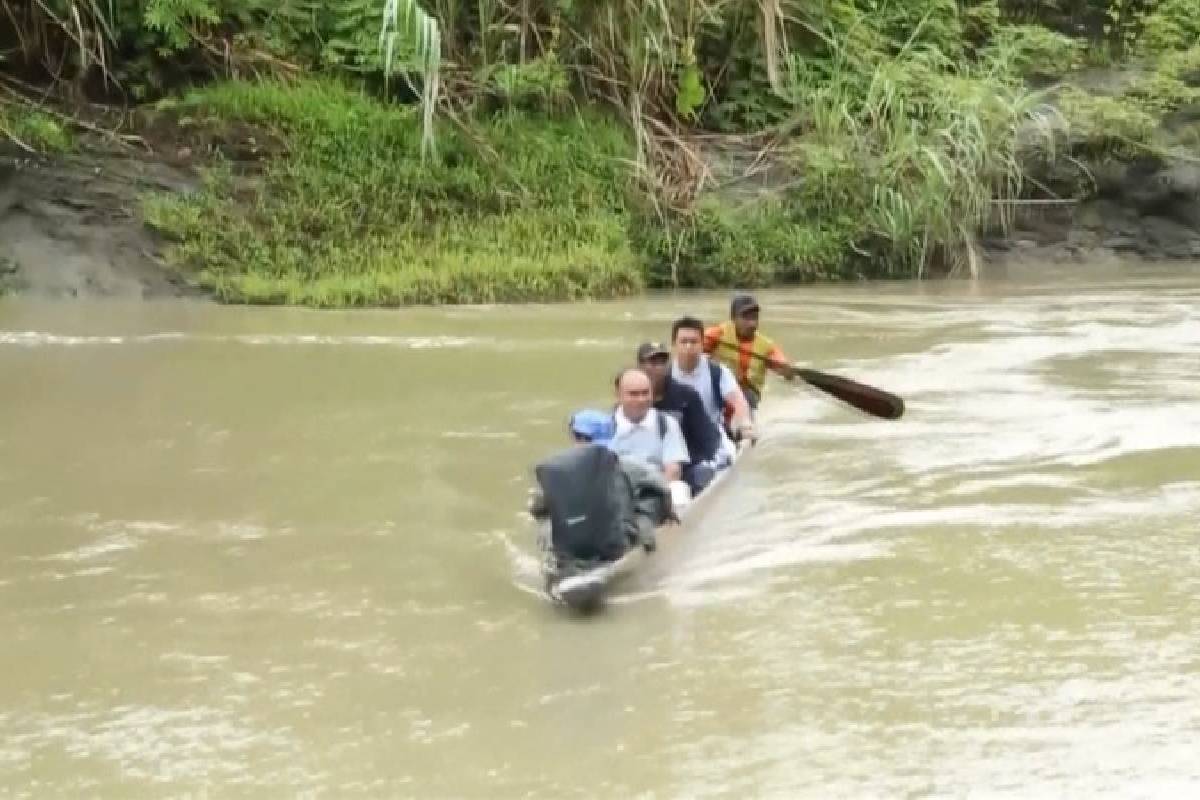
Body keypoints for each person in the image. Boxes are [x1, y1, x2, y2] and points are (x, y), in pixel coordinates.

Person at [528, 409, 674, 573]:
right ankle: (643, 547)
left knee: (547, 518)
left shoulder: (558, 472)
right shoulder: (628, 466)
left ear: (578, 438)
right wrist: (669, 514)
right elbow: (662, 487)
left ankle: (553, 562)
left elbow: (536, 507)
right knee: (649, 500)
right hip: (618, 544)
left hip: (568, 550)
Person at [635, 341, 724, 496]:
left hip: (685, 466)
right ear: (640, 366)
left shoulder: (686, 396)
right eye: (653, 362)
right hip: (644, 466)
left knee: (702, 475)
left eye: (662, 362)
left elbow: (707, 438)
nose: (659, 367)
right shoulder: (630, 400)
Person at [606, 367, 693, 509]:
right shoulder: (606, 427)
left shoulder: (666, 423)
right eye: (633, 394)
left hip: (657, 490)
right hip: (619, 494)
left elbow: (673, 470)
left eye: (645, 393)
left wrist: (654, 493)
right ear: (618, 395)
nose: (641, 399)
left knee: (679, 489)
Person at [670, 316, 756, 447]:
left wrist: (745, 426)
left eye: (693, 342)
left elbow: (738, 402)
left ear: (702, 344)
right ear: (674, 344)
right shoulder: (664, 373)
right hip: (674, 437)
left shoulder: (718, 372)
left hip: (712, 436)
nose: (688, 347)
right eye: (683, 341)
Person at [703, 293, 796, 411]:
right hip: (718, 389)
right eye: (746, 318)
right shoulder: (716, 334)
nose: (752, 324)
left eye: (754, 318)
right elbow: (692, 352)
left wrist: (787, 370)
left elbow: (786, 371)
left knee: (744, 401)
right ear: (733, 318)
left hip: (748, 395)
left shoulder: (766, 346)